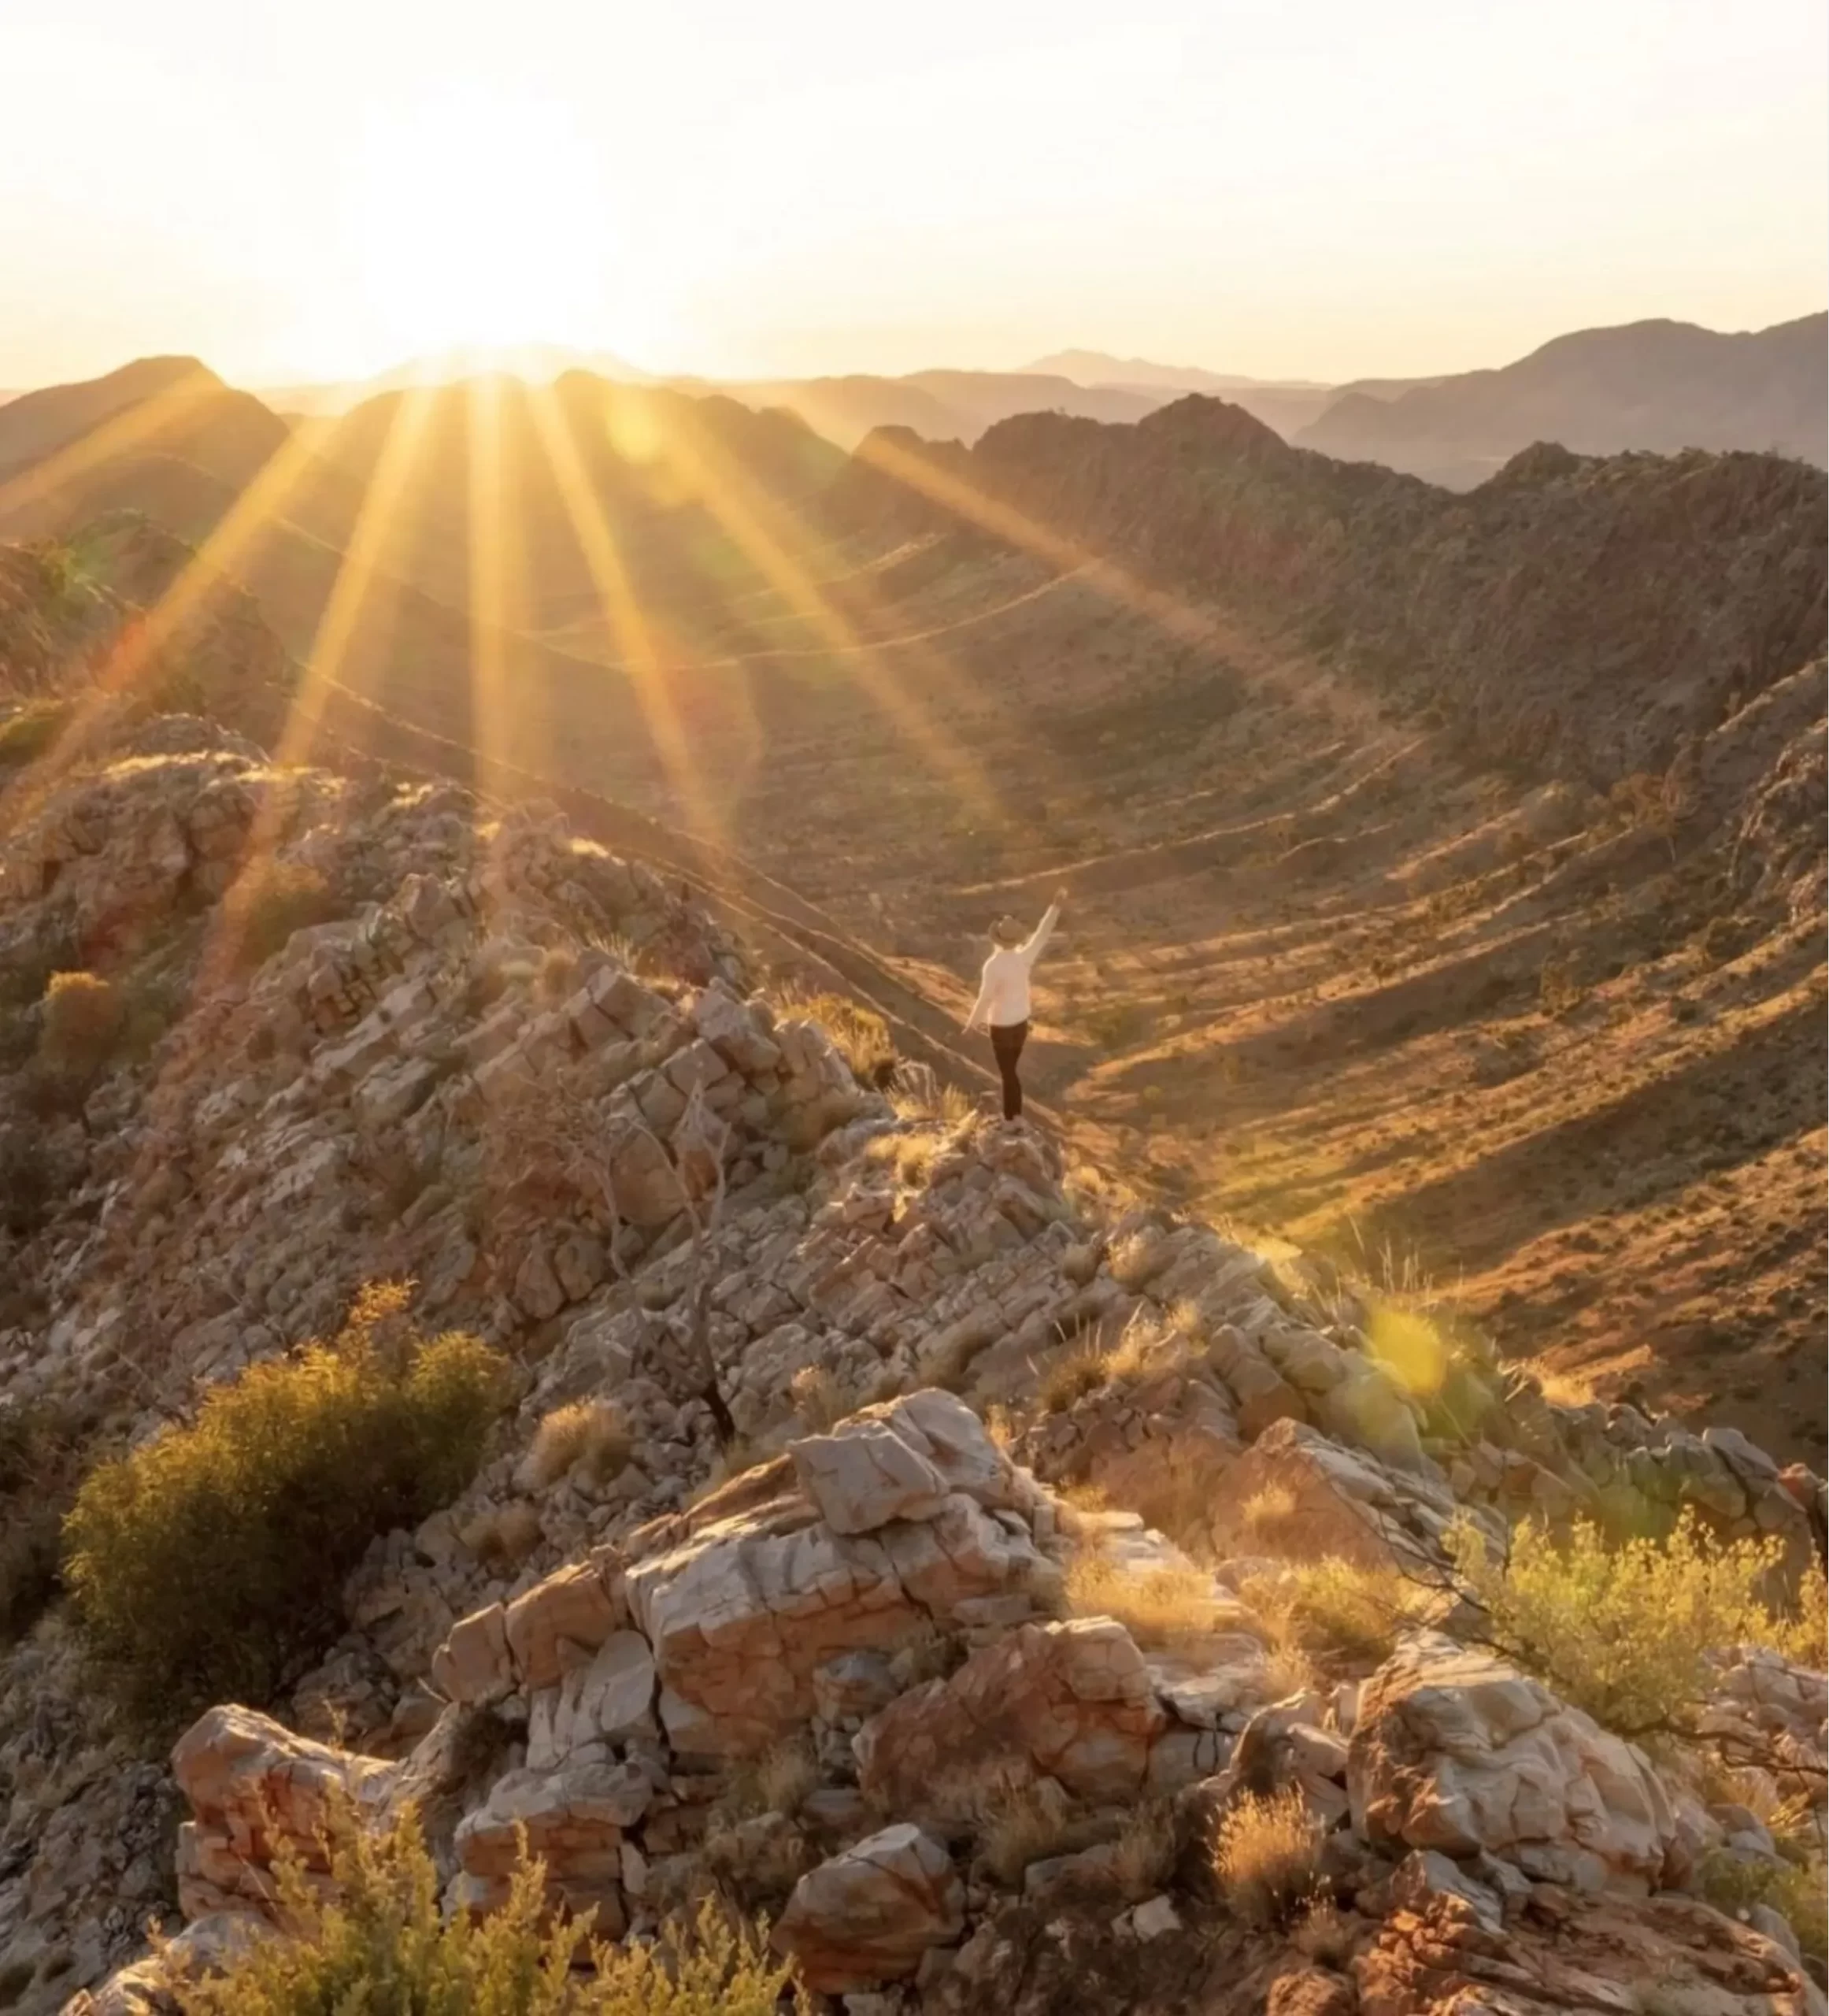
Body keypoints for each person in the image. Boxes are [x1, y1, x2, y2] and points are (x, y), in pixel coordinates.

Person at [963, 886, 1067, 1121]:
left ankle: (1012, 1117)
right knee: (1011, 1071)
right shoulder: (1024, 957)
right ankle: (1014, 1115)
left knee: (1008, 1073)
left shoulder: (992, 966)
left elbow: (985, 998)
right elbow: (1043, 933)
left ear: (996, 939)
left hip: (1000, 1026)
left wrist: (972, 1026)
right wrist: (1055, 907)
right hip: (1020, 1024)